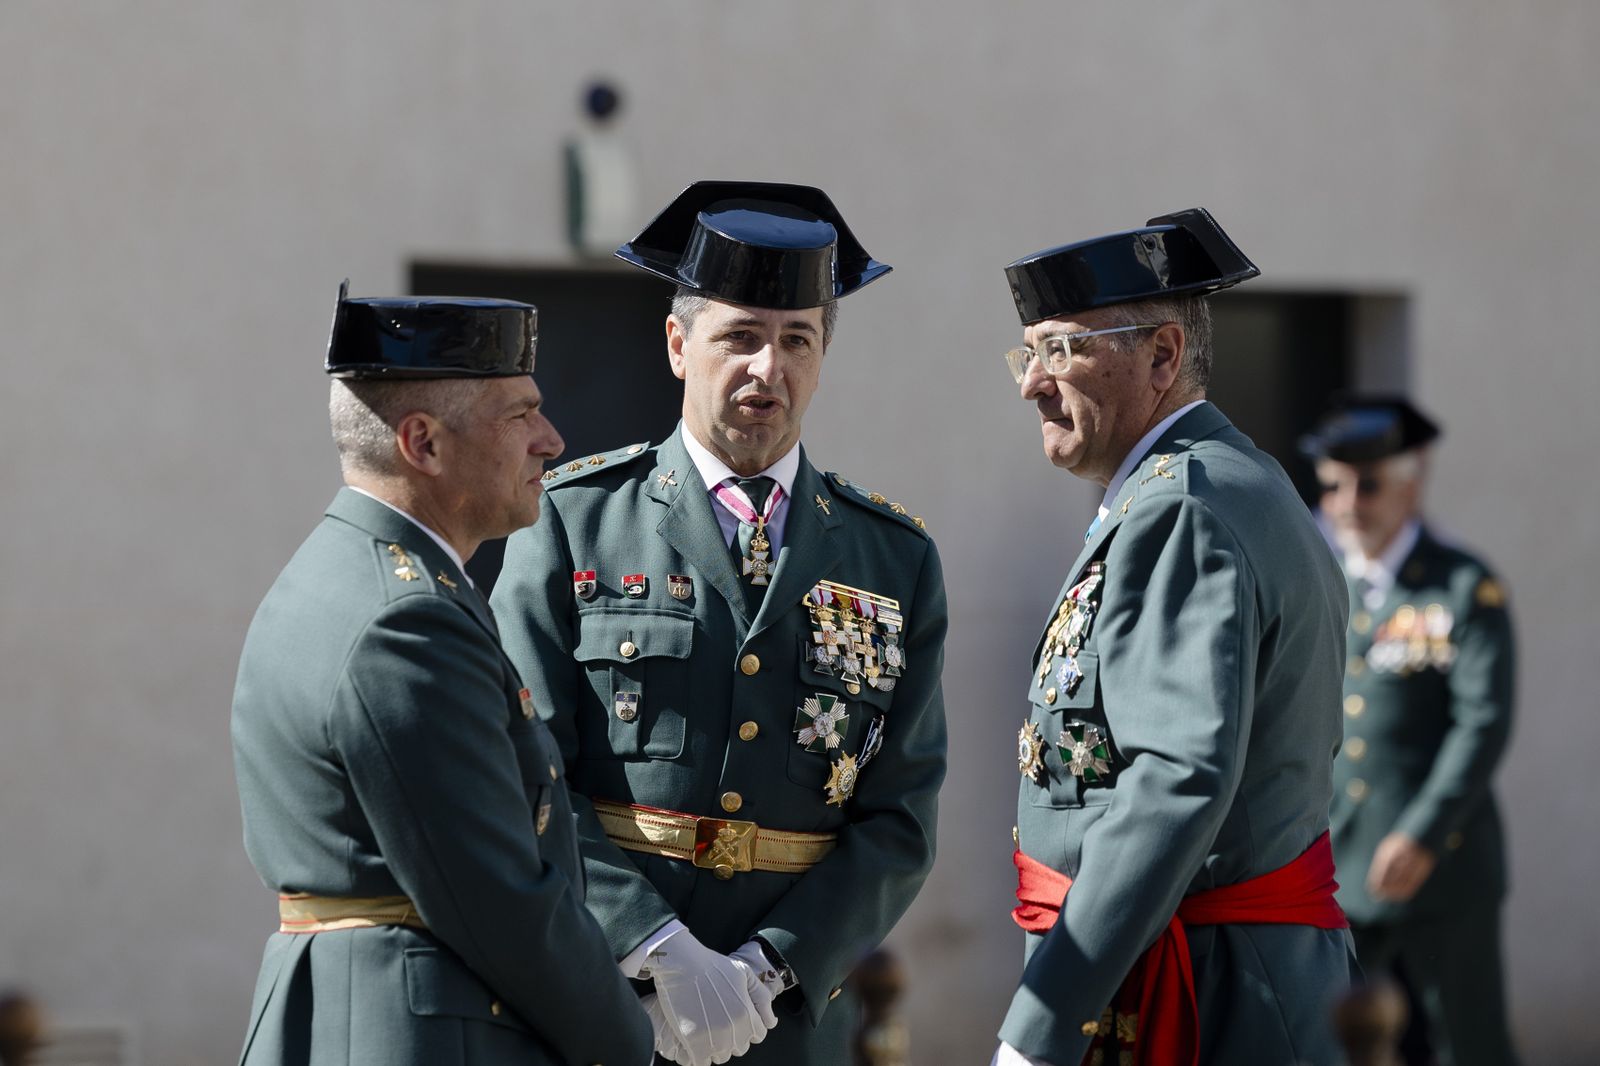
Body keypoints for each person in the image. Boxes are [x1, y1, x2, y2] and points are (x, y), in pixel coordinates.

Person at [492, 181, 949, 1066]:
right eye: (740, 336)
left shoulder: (892, 559)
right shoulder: (572, 519)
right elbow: (523, 768)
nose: (767, 370)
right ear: (677, 344)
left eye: (796, 341)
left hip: (788, 1024)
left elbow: (900, 819)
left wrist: (772, 968)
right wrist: (652, 944)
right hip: (599, 999)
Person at [231, 284, 653, 1066]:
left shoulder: (346, 573)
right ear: (422, 444)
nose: (551, 440)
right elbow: (500, 901)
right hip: (418, 1031)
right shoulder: (407, 620)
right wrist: (629, 1042)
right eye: (519, 414)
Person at [994, 210, 1356, 1066]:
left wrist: (1041, 1026)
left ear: (1162, 355)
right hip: (1220, 973)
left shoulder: (1183, 506)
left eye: (1061, 351)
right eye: (1027, 353)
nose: (1031, 384)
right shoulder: (1220, 483)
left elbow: (1175, 779)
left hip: (1207, 991)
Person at [1303, 397, 1518, 1066]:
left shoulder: (1461, 587)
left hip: (1439, 867)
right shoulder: (1322, 581)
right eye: (1333, 484)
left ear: (1411, 481)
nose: (1347, 502)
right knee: (1339, 1045)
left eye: (1368, 484)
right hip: (1339, 862)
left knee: (1460, 1045)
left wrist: (1422, 833)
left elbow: (1482, 722)